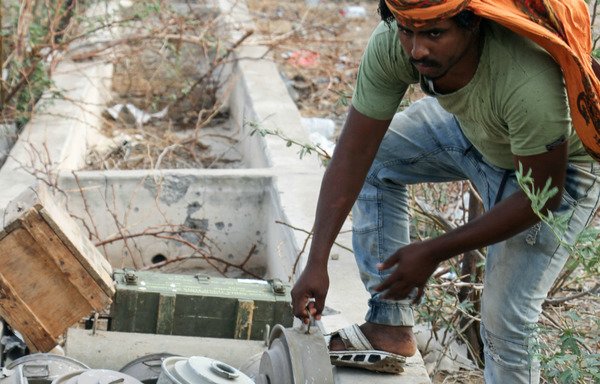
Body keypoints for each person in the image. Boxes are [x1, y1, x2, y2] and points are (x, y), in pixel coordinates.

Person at [290, 0, 600, 382]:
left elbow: (542, 194)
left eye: (435, 34)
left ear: (473, 25)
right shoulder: (394, 41)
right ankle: (389, 327)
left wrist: (433, 250)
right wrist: (316, 261)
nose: (417, 49)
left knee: (506, 323)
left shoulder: (526, 75)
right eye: (408, 32)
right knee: (378, 160)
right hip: (479, 128)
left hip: (554, 173)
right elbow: (354, 153)